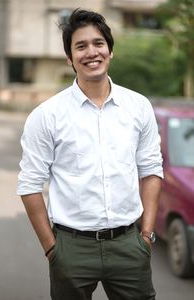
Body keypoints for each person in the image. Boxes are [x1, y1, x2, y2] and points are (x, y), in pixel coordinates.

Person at [17, 8, 163, 300]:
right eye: (80, 46)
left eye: (98, 43)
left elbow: (151, 170)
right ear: (70, 58)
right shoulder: (47, 115)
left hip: (128, 245)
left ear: (110, 50)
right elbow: (30, 185)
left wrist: (145, 235)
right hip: (71, 247)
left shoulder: (138, 107)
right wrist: (51, 249)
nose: (91, 52)